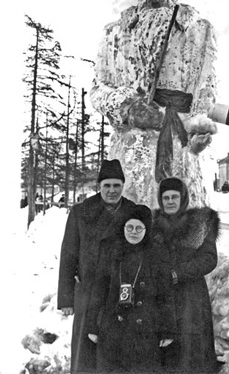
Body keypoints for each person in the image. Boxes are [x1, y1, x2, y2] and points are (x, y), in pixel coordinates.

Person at [90, 0, 217, 209]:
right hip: (130, 146)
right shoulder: (114, 32)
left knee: (178, 221)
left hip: (178, 140)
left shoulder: (198, 30)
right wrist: (128, 107)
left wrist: (199, 129)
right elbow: (97, 89)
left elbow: (206, 88)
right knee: (130, 224)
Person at [57, 159, 137, 374]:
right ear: (99, 186)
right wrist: (66, 298)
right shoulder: (81, 212)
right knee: (85, 353)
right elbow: (68, 256)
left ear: (123, 186)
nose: (112, 191)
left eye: (116, 185)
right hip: (88, 291)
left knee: (117, 350)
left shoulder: (133, 211)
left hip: (120, 291)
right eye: (107, 186)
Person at [86, 204, 175, 373]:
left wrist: (167, 330)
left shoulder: (157, 254)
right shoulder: (111, 252)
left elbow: (165, 295)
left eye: (139, 228)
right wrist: (92, 326)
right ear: (124, 227)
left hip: (145, 331)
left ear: (147, 229)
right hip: (113, 329)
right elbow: (99, 290)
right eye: (130, 227)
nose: (133, 232)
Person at [152, 177, 220, 373]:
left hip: (191, 298)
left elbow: (209, 258)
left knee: (191, 350)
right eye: (166, 198)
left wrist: (178, 273)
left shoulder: (200, 223)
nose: (170, 201)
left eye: (175, 197)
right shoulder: (152, 224)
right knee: (164, 350)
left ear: (183, 199)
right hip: (161, 296)